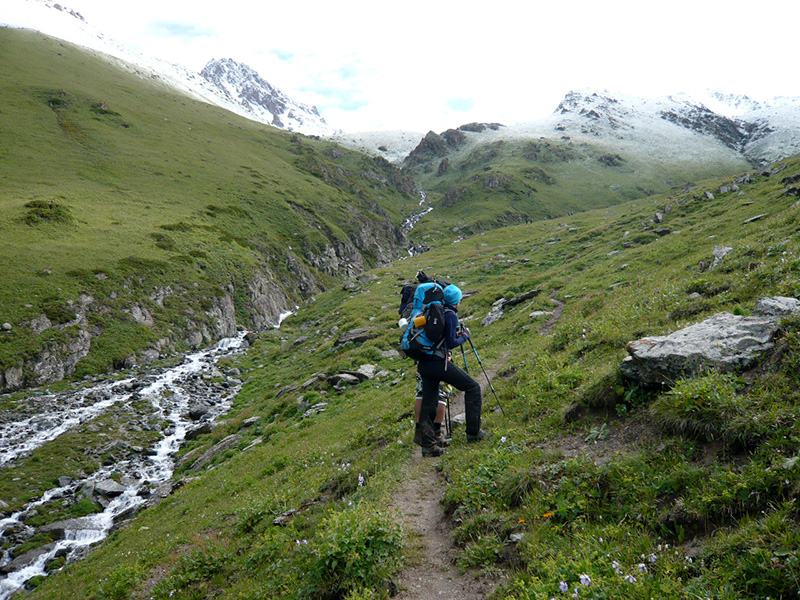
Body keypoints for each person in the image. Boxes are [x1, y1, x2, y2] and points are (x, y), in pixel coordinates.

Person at [414, 284, 489, 457]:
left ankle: (429, 446)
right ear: (456, 301)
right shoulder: (450, 315)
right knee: (473, 387)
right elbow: (450, 343)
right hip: (440, 364)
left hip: (424, 363)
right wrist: (464, 336)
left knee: (429, 401)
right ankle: (473, 433)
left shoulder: (433, 310)